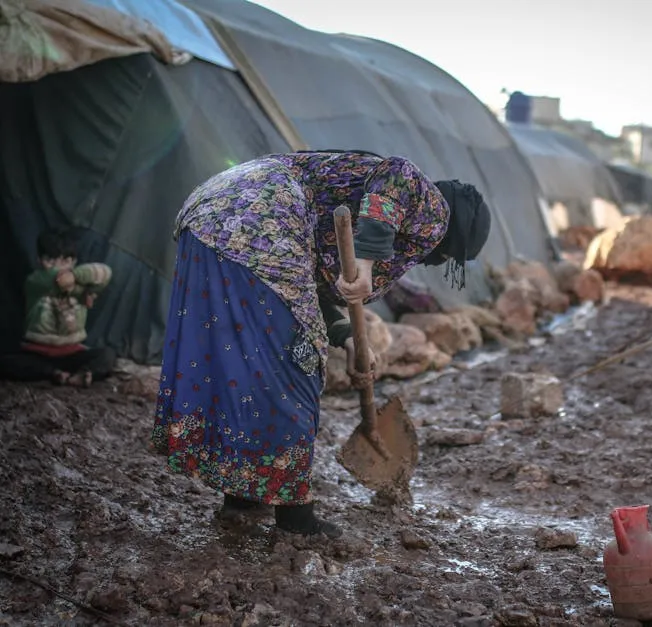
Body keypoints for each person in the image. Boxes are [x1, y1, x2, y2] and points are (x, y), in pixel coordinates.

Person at [151, 151, 491, 538]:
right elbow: (397, 174)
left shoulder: (346, 216)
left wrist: (348, 340)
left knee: (245, 370)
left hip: (213, 215)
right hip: (264, 216)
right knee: (297, 368)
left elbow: (309, 292)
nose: (432, 261)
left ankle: (244, 495)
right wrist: (365, 264)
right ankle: (295, 515)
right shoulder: (433, 208)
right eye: (445, 255)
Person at [0, 229, 115, 386]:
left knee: (107, 355)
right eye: (50, 261)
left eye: (64, 261)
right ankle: (54, 373)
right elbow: (59, 281)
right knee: (7, 361)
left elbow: (106, 272)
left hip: (72, 352)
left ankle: (82, 375)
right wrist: (88, 291)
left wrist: (76, 277)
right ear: (39, 260)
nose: (58, 267)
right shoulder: (35, 281)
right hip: (38, 352)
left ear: (73, 262)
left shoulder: (77, 278)